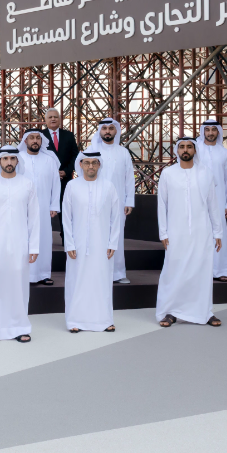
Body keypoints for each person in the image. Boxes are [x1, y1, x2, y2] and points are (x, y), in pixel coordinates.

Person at [156, 138, 225, 329]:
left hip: (202, 231)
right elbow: (162, 204)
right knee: (173, 271)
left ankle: (204, 312)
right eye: (182, 147)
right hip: (175, 232)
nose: (185, 150)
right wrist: (163, 233)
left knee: (201, 271)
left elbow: (213, 204)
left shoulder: (206, 173)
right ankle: (170, 311)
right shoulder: (168, 173)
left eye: (189, 147)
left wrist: (218, 232)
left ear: (195, 150)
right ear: (176, 151)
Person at [0, 147, 40, 344]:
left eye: (12, 158)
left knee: (18, 285)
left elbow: (34, 218)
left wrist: (34, 247)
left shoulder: (27, 184)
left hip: (20, 244)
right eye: (5, 159)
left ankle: (19, 327)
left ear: (18, 161)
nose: (9, 162)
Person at [62, 151, 123, 333]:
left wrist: (112, 243)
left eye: (94, 163)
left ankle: (104, 320)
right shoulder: (72, 186)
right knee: (77, 281)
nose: (90, 166)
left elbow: (115, 218)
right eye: (87, 163)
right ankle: (74, 320)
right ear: (80, 165)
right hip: (77, 244)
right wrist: (69, 244)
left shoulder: (108, 186)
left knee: (101, 281)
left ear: (99, 165)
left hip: (102, 245)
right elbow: (66, 218)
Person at [89, 117, 136, 283]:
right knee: (96, 235)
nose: (107, 131)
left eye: (111, 128)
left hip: (118, 201)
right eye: (104, 128)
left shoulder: (123, 152)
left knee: (117, 236)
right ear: (100, 131)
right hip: (95, 201)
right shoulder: (91, 150)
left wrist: (129, 201)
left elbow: (129, 178)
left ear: (116, 131)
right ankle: (97, 273)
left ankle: (118, 273)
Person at [19, 128, 61, 285]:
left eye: (38, 138)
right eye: (32, 138)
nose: (35, 141)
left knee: (43, 239)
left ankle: (43, 274)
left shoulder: (50, 160)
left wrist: (54, 205)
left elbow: (56, 184)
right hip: (22, 207)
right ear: (25, 141)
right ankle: (24, 274)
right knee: (23, 239)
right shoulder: (18, 158)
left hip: (43, 207)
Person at [198, 119, 227, 281]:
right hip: (197, 197)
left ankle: (220, 270)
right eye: (207, 129)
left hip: (219, 198)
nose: (210, 133)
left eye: (214, 129)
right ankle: (199, 271)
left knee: (219, 232)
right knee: (198, 232)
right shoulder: (195, 149)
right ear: (203, 131)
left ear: (218, 132)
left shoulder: (224, 153)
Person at [41, 108, 78, 244]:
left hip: (65, 180)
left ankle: (66, 238)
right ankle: (42, 239)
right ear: (45, 120)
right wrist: (51, 173)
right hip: (45, 180)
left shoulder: (68, 135)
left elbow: (75, 156)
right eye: (50, 117)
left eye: (55, 117)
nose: (53, 119)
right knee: (43, 208)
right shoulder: (40, 135)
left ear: (60, 119)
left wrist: (66, 171)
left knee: (65, 209)